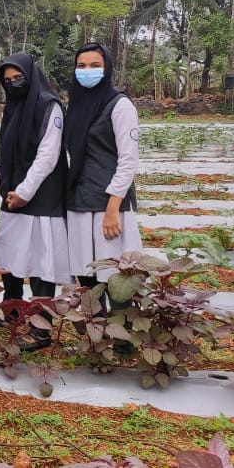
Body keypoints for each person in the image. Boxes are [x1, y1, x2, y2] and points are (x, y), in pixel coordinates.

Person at [0, 53, 70, 350]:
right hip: (13, 195)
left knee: (41, 260)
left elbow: (48, 156)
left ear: (31, 76)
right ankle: (11, 312)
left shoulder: (49, 106)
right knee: (8, 252)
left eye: (18, 79)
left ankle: (41, 328)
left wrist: (25, 191)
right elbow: (5, 152)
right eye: (8, 80)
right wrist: (8, 189)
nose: (13, 85)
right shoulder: (12, 108)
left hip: (41, 196)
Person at [62, 42, 141, 302]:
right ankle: (95, 338)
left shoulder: (120, 106)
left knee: (115, 276)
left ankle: (121, 341)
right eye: (81, 66)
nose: (87, 71)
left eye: (95, 66)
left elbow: (128, 160)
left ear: (107, 69)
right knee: (85, 273)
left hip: (109, 204)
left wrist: (112, 208)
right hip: (79, 201)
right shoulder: (74, 106)